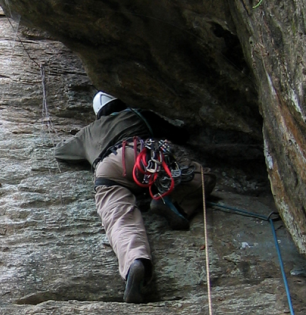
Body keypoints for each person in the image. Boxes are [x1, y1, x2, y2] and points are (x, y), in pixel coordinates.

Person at [55, 93, 214, 303]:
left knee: (118, 217)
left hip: (108, 169)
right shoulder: (137, 114)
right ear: (120, 103)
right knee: (203, 176)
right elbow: (179, 134)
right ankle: (171, 201)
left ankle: (135, 263)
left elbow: (60, 152)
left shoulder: (87, 133)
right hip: (142, 156)